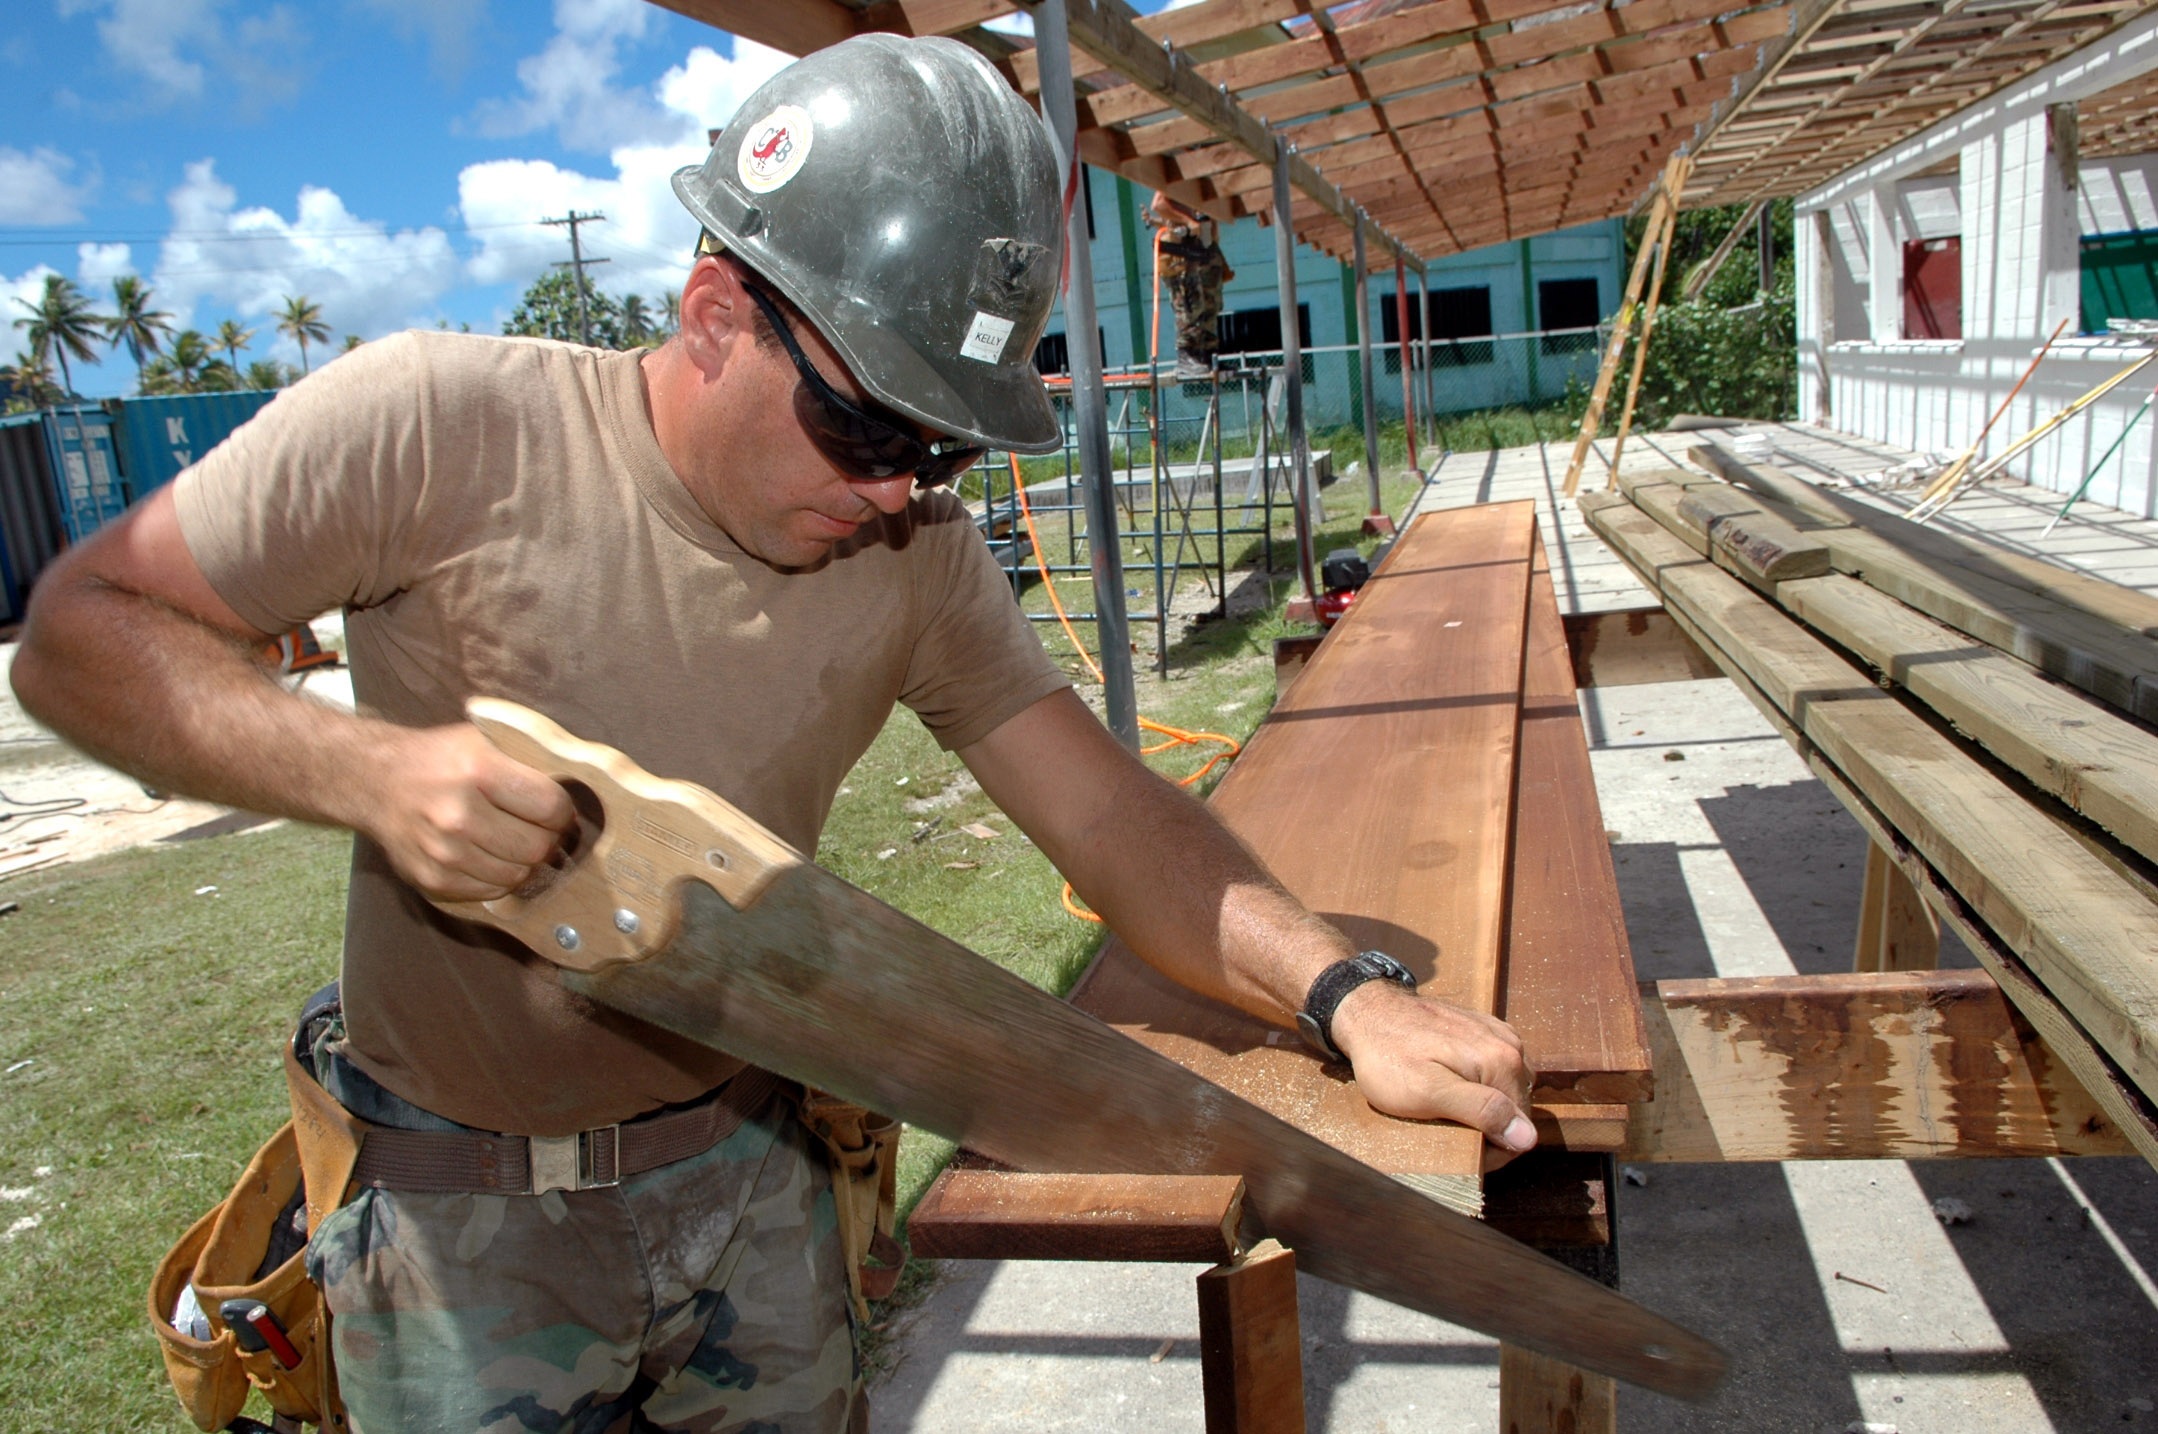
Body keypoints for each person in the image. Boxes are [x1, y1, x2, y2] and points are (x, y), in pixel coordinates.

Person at [10, 34, 1532, 1434]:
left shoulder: (914, 556)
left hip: (753, 1169)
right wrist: (371, 772)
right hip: (459, 1217)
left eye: (938, 447)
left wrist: (1343, 994)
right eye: (873, 429)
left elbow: (1112, 821)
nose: (897, 490)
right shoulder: (435, 427)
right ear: (715, 314)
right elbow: (82, 633)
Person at [1149, 191, 1235, 380]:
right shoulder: (1173, 177)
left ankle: (1208, 354)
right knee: (1190, 305)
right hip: (1181, 251)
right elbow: (1158, 203)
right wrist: (1188, 222)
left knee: (1211, 304)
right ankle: (1187, 356)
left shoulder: (1202, 182)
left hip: (1205, 248)